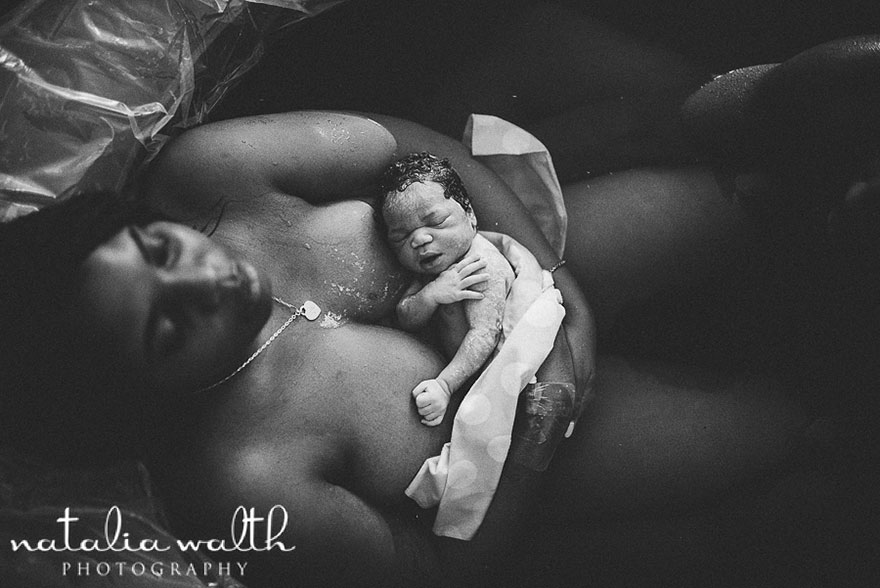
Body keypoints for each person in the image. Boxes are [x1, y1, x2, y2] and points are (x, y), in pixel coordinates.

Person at [1, 18, 878, 588]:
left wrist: (558, 289)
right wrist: (533, 450)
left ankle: (789, 141)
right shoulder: (246, 480)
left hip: (521, 259)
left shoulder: (214, 176)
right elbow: (429, 572)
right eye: (168, 328)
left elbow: (414, 151)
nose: (206, 279)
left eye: (159, 251)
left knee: (750, 201)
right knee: (790, 421)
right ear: (144, 399)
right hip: (551, 449)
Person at [378, 152, 517, 426]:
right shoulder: (430, 271)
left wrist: (445, 385)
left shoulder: (481, 265)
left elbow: (484, 335)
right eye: (401, 237)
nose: (419, 239)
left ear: (470, 216)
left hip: (486, 378)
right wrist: (430, 295)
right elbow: (405, 317)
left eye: (437, 222)